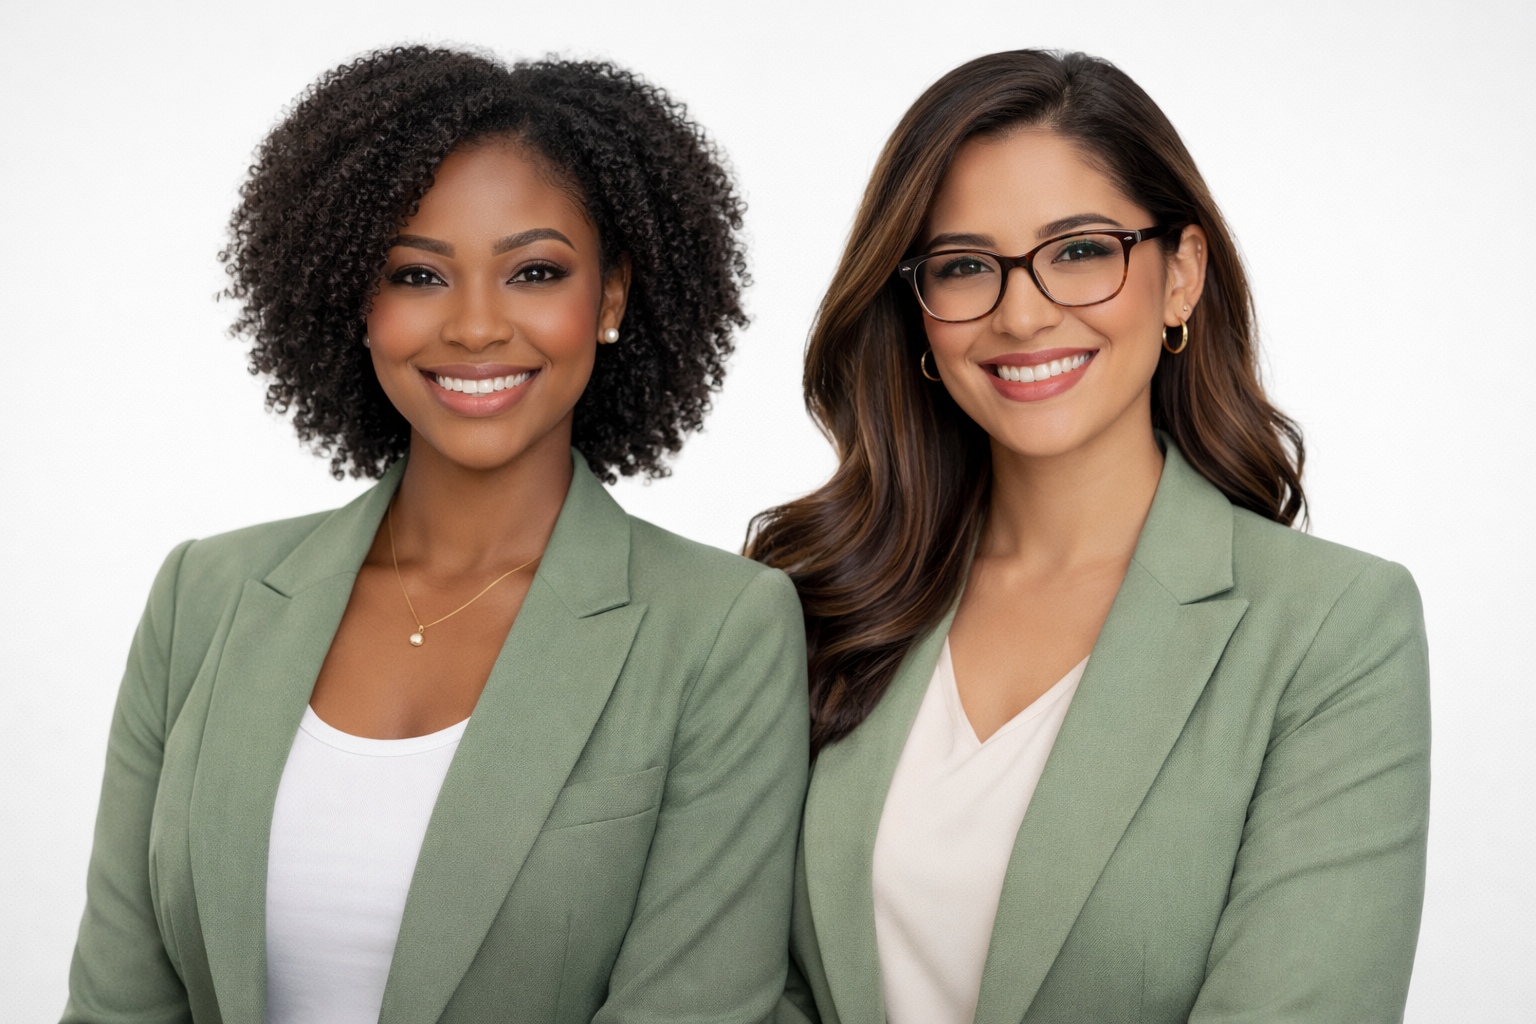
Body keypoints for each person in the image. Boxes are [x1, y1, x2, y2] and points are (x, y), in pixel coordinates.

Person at [64, 46, 808, 1024]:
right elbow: (118, 1003)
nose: (473, 327)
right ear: (357, 300)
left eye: (534, 271)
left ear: (613, 297)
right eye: (417, 274)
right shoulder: (206, 595)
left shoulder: (722, 630)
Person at [750, 49, 1429, 1024]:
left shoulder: (1332, 629)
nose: (1022, 314)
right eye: (965, 266)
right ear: (919, 315)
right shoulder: (817, 602)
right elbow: (741, 984)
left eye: (1079, 250)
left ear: (1181, 276)